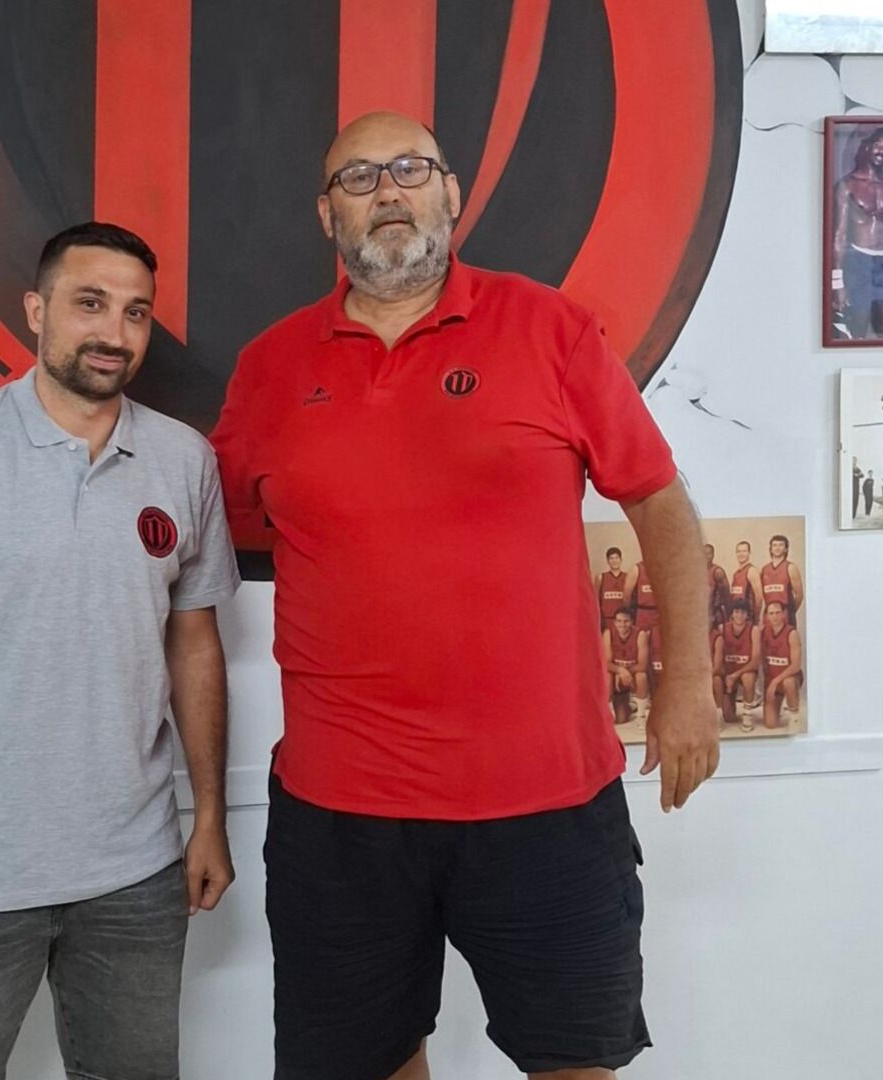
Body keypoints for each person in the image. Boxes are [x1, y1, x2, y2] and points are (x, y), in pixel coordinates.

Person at [210, 110, 719, 1080]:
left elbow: (658, 501)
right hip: (341, 813)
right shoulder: (270, 367)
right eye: (358, 177)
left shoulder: (550, 329)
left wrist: (687, 684)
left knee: (577, 1063)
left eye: (410, 169)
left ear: (450, 193)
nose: (387, 191)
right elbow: (214, 526)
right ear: (327, 215)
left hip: (547, 800)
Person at [0, 221, 238, 1080]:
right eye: (89, 303)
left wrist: (208, 817)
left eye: (136, 312)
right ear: (36, 310)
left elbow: (195, 649)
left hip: (136, 876)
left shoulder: (183, 460)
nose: (114, 332)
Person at [830, 129, 883, 339]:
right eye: (878, 146)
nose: (882, 151)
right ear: (866, 148)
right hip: (857, 262)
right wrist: (837, 282)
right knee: (858, 326)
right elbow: (838, 235)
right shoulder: (847, 186)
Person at [714, 601, 759, 734]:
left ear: (747, 615)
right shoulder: (722, 629)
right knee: (729, 717)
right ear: (732, 614)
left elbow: (755, 661)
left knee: (748, 678)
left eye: (742, 612)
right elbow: (719, 657)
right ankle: (725, 707)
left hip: (743, 671)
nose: (739, 615)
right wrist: (727, 676)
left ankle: (747, 716)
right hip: (728, 674)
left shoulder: (753, 630)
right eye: (736, 612)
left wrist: (735, 675)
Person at [759, 601, 804, 730]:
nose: (775, 616)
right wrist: (769, 684)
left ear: (784, 614)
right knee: (770, 724)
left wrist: (775, 681)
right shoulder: (764, 632)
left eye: (778, 612)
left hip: (789, 678)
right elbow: (762, 659)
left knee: (788, 683)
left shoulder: (792, 633)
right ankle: (779, 703)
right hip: (773, 679)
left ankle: (795, 716)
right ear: (767, 616)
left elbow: (796, 666)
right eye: (771, 613)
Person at [603, 608, 649, 727]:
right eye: (619, 621)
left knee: (641, 676)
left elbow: (642, 665)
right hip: (617, 678)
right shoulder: (608, 634)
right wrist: (620, 670)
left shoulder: (640, 634)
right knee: (621, 719)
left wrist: (625, 672)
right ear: (614, 622)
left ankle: (641, 716)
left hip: (632, 677)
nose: (622, 624)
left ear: (632, 621)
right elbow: (606, 663)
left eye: (626, 621)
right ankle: (608, 712)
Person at [760, 535, 803, 621]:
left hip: (785, 616)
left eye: (781, 545)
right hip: (769, 616)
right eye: (774, 545)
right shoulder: (764, 569)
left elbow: (799, 595)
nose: (777, 548)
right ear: (770, 549)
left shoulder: (790, 567)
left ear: (786, 549)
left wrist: (790, 612)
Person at [596, 547, 631, 632]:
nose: (614, 561)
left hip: (622, 622)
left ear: (621, 560)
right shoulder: (601, 577)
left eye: (616, 558)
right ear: (607, 561)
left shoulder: (628, 578)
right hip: (606, 620)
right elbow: (595, 600)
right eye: (611, 558)